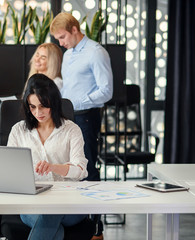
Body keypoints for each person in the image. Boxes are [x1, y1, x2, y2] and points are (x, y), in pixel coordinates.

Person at [0, 74, 89, 240]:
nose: (38, 112)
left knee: (49, 216)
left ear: (54, 102)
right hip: (32, 202)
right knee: (50, 222)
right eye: (33, 107)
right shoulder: (19, 130)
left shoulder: (71, 130)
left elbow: (81, 170)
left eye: (43, 106)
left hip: (68, 203)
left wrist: (53, 167)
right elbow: (10, 171)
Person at [50, 12, 113, 240]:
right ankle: (75, 224)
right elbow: (69, 87)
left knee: (88, 170)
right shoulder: (68, 54)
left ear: (75, 30)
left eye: (63, 37)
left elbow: (106, 91)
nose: (61, 42)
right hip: (68, 116)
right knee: (70, 169)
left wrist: (76, 102)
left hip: (86, 116)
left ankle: (97, 228)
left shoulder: (96, 52)